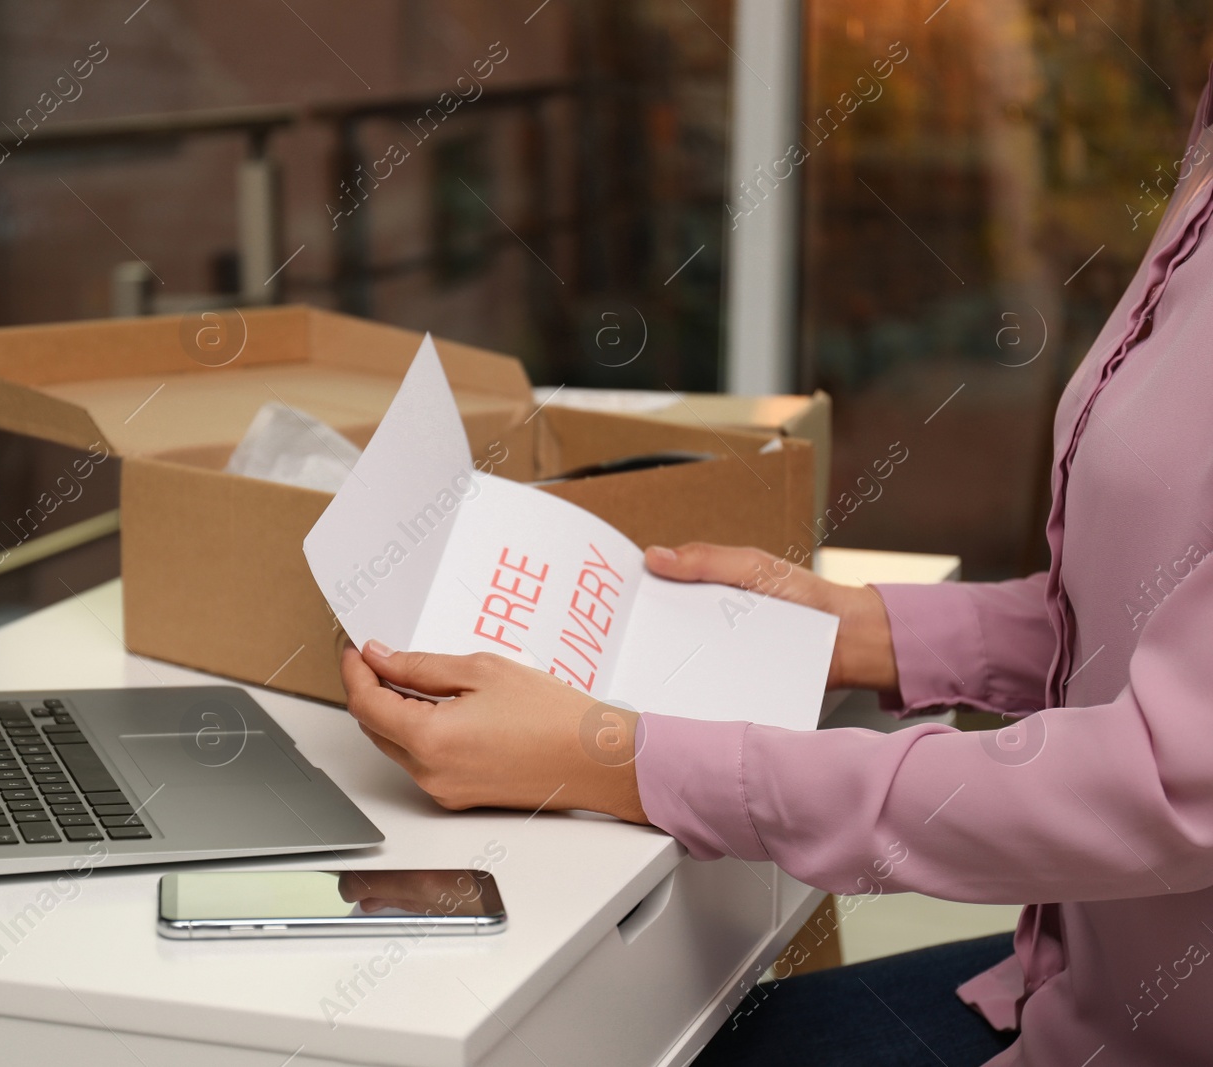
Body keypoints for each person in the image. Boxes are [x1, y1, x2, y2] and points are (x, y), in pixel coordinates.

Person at [338, 69, 1213, 1067]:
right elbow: (1153, 618)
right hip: (1074, 985)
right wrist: (854, 628)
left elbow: (1162, 786)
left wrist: (618, 757)